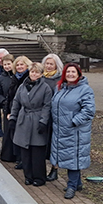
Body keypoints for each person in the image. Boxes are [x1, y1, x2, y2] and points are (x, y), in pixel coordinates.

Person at [50, 63, 95, 199]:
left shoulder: (85, 90)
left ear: (78, 74)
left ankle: (71, 186)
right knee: (69, 157)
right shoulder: (60, 88)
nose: (70, 74)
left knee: (73, 158)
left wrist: (74, 121)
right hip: (60, 129)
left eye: (73, 72)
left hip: (75, 131)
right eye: (68, 72)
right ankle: (78, 183)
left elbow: (89, 110)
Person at [9, 62, 52, 187]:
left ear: (41, 74)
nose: (34, 74)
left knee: (37, 151)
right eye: (32, 71)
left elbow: (47, 105)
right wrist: (13, 118)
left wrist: (43, 121)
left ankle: (39, 177)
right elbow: (16, 101)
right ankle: (28, 176)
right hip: (24, 119)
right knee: (25, 152)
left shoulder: (45, 88)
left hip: (37, 118)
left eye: (37, 72)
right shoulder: (23, 86)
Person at [41, 53, 64, 181]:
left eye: (51, 64)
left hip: (54, 116)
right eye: (47, 63)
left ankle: (54, 169)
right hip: (42, 115)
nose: (48, 66)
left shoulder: (59, 80)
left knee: (54, 144)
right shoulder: (41, 77)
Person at [6, 55, 32, 169]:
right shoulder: (15, 77)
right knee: (16, 135)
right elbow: (10, 96)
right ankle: (19, 158)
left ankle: (23, 160)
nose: (20, 66)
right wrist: (8, 111)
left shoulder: (28, 78)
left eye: (22, 64)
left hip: (24, 111)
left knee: (23, 136)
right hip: (14, 109)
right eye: (17, 65)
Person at [0, 54, 16, 162]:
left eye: (9, 64)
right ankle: (7, 155)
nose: (7, 66)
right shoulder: (1, 77)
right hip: (6, 106)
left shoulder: (16, 76)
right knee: (7, 131)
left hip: (16, 106)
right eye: (5, 64)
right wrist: (3, 101)